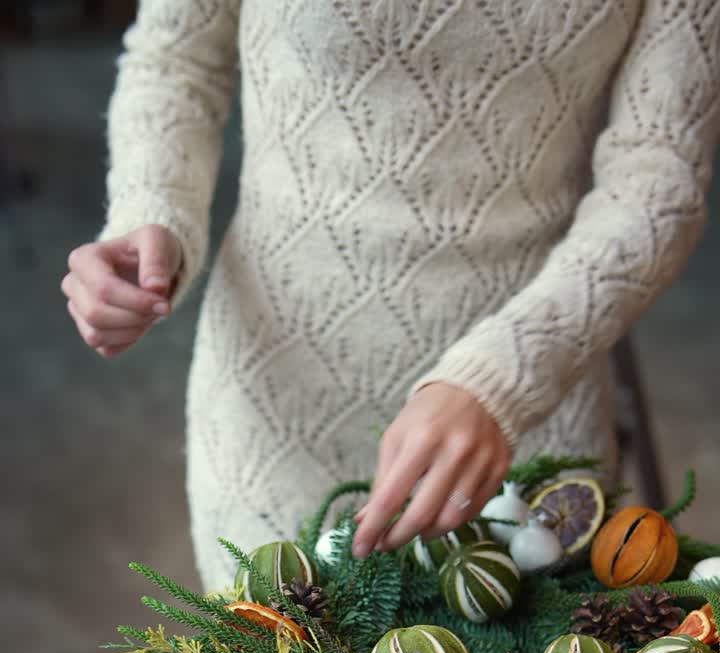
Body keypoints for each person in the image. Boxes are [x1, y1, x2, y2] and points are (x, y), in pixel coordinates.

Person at [63, 1, 720, 590]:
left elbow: (657, 179)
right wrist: (151, 213)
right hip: (282, 403)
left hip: (525, 409)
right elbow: (178, 60)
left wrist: (504, 376)